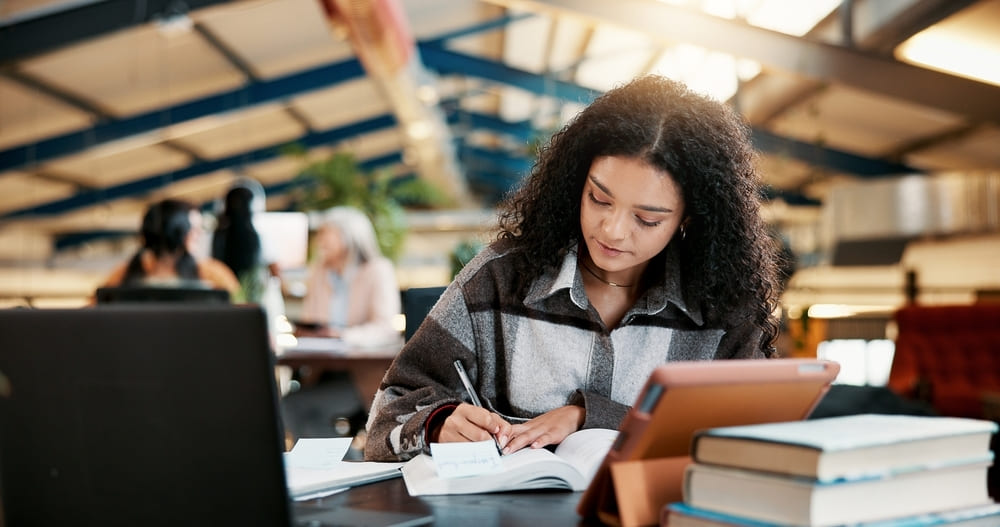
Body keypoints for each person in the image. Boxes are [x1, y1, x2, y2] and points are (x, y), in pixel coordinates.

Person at [364, 75, 782, 462]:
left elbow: (751, 439)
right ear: (576, 181)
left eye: (648, 219)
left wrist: (592, 418)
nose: (614, 231)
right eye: (599, 199)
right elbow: (388, 411)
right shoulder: (499, 279)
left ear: (689, 219)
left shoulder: (724, 307)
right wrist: (436, 424)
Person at [298, 206, 402, 347]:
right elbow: (310, 320)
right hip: (321, 361)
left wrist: (343, 336)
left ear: (349, 235)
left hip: (362, 360)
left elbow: (385, 327)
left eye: (326, 233)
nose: (320, 241)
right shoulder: (319, 271)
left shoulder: (378, 270)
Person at [100, 198, 240, 297]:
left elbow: (240, 311)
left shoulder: (213, 274)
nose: (199, 234)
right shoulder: (123, 275)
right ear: (174, 230)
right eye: (193, 229)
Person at [211, 180, 279, 303]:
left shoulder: (216, 236)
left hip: (221, 298)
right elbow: (274, 268)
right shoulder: (258, 237)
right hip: (252, 300)